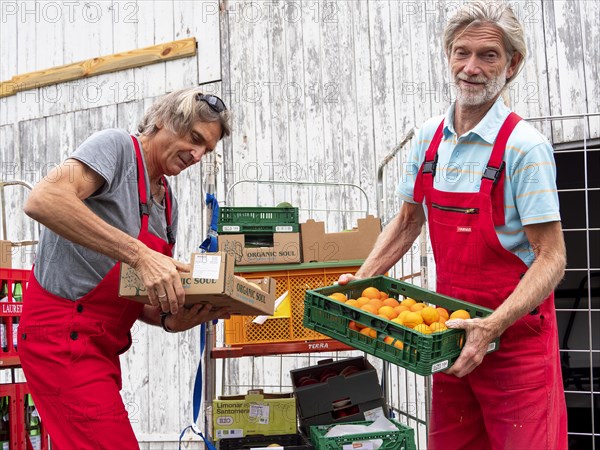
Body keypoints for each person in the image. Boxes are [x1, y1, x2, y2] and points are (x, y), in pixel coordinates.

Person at [339, 2, 567, 449]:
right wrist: (361, 281)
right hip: (449, 338)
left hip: (515, 346)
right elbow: (407, 222)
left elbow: (552, 258)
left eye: (488, 56)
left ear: (512, 65)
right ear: (448, 57)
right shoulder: (428, 138)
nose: (471, 68)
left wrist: (492, 327)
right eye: (461, 53)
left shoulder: (525, 149)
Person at [18, 88, 232, 449]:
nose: (197, 155)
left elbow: (134, 291)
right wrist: (140, 254)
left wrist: (168, 318)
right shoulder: (116, 148)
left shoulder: (167, 203)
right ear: (163, 121)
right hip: (59, 337)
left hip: (102, 349)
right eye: (195, 139)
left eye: (206, 150)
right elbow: (44, 199)